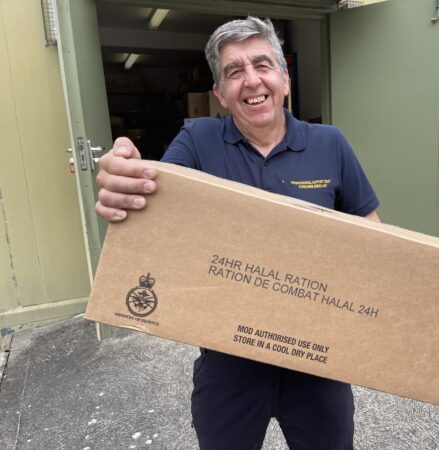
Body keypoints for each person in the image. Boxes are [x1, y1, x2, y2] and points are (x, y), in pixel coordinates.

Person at [95, 17, 380, 450]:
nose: (251, 81)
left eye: (262, 65)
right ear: (220, 94)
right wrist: (124, 185)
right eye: (233, 72)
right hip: (228, 361)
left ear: (285, 78)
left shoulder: (330, 143)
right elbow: (154, 213)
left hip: (317, 362)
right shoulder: (197, 139)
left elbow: (373, 240)